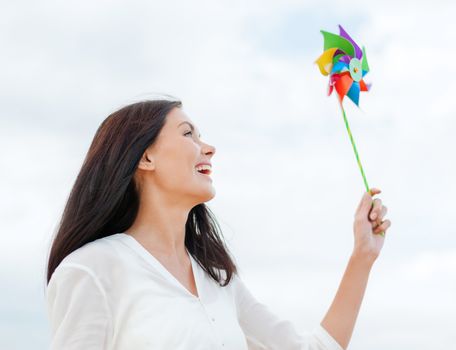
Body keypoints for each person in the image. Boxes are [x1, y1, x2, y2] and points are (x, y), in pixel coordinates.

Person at [45, 97, 391, 350]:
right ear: (146, 156)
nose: (208, 148)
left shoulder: (219, 280)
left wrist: (363, 256)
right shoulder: (92, 269)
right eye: (188, 134)